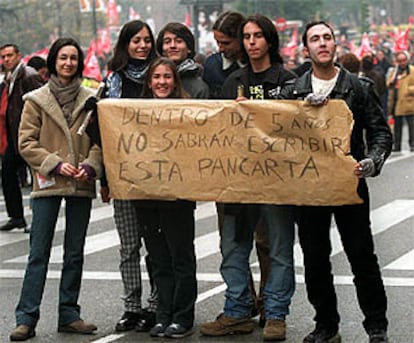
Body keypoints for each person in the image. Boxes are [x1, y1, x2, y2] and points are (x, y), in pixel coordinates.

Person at [279, 21, 392, 343]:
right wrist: (300, 112)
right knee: (315, 259)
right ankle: (326, 325)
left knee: (362, 256)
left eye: (327, 37)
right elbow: (275, 135)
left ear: (335, 45)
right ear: (306, 50)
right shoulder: (293, 91)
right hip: (310, 189)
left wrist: (372, 161)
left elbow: (381, 131)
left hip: (349, 183)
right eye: (315, 39)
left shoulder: (358, 87)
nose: (322, 43)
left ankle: (376, 326)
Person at [200, 14, 297, 341]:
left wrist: (262, 110)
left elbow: (296, 132)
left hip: (276, 180)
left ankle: (275, 313)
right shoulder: (233, 82)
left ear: (269, 40)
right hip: (238, 180)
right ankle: (238, 309)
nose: (252, 42)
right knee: (233, 246)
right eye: (247, 36)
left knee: (279, 249)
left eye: (258, 36)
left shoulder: (288, 80)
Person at [9, 37, 102, 341]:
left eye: (73, 58)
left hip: (80, 182)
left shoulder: (92, 99)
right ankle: (26, 317)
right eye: (63, 58)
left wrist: (90, 165)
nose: (68, 63)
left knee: (74, 253)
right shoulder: (36, 99)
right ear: (53, 61)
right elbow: (25, 143)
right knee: (39, 252)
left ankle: (69, 314)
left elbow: (101, 142)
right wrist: (54, 163)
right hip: (48, 182)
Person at [87, 19, 158, 333]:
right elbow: (103, 135)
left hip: (157, 177)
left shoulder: (160, 74)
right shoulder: (112, 80)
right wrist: (104, 179)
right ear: (125, 44)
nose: (141, 46)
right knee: (129, 246)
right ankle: (131, 307)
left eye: (146, 40)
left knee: (157, 246)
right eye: (135, 40)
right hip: (123, 177)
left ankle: (156, 305)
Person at [137, 57, 197, 339]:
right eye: (156, 77)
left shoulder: (187, 111)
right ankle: (163, 314)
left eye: (167, 77)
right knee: (158, 258)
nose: (162, 82)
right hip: (146, 195)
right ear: (149, 82)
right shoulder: (133, 114)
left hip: (178, 196)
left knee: (180, 256)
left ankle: (183, 316)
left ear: (175, 81)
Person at [0, 44, 43, 232]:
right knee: (8, 174)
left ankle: (39, 218)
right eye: (3, 57)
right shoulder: (9, 78)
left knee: (36, 179)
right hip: (12, 136)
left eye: (10, 55)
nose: (6, 59)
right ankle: (16, 216)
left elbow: (41, 103)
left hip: (28, 135)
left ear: (19, 55)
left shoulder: (29, 75)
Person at [156, 22, 209, 99]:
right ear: (162, 50)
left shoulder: (199, 88)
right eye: (167, 42)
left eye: (179, 41)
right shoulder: (153, 81)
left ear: (189, 48)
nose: (173, 46)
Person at [202, 11, 246, 99]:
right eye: (217, 42)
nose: (220, 48)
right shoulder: (211, 66)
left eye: (226, 43)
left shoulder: (257, 65)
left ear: (241, 39)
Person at [386, 51, 414, 152]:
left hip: (409, 102)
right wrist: (392, 79)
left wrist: (408, 89)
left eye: (404, 60)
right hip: (396, 102)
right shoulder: (394, 71)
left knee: (411, 125)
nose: (402, 63)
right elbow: (388, 84)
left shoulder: (412, 70)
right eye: (400, 61)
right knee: (397, 126)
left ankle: (412, 144)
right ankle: (397, 145)